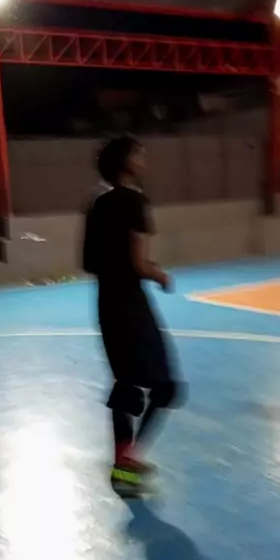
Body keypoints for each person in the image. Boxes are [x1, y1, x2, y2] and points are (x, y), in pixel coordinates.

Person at [83, 136, 183, 497]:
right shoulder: (136, 202)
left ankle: (125, 465)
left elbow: (89, 262)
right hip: (131, 305)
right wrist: (159, 274)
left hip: (106, 304)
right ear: (127, 161)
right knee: (165, 386)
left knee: (126, 384)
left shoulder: (98, 204)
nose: (144, 159)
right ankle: (127, 463)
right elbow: (139, 263)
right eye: (139, 154)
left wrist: (124, 266)